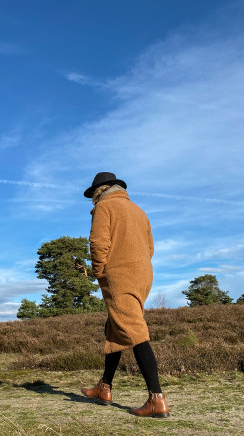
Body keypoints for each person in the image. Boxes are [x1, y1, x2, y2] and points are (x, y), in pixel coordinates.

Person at [80, 172, 169, 418]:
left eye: (93, 194)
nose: (92, 200)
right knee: (115, 327)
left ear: (100, 190)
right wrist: (138, 266)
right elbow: (150, 247)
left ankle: (157, 399)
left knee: (134, 330)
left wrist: (100, 272)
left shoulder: (104, 207)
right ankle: (104, 387)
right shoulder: (139, 211)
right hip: (143, 274)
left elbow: (98, 243)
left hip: (119, 274)